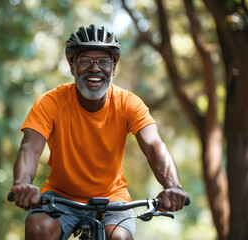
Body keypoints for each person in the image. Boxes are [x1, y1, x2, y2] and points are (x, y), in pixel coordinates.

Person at [10, 24, 188, 240]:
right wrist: (22, 184)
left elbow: (154, 146)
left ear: (113, 68)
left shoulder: (129, 103)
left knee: (119, 238)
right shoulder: (51, 102)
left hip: (113, 198)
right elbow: (30, 147)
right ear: (72, 66)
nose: (95, 69)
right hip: (60, 196)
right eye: (85, 61)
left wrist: (174, 187)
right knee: (39, 229)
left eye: (103, 61)